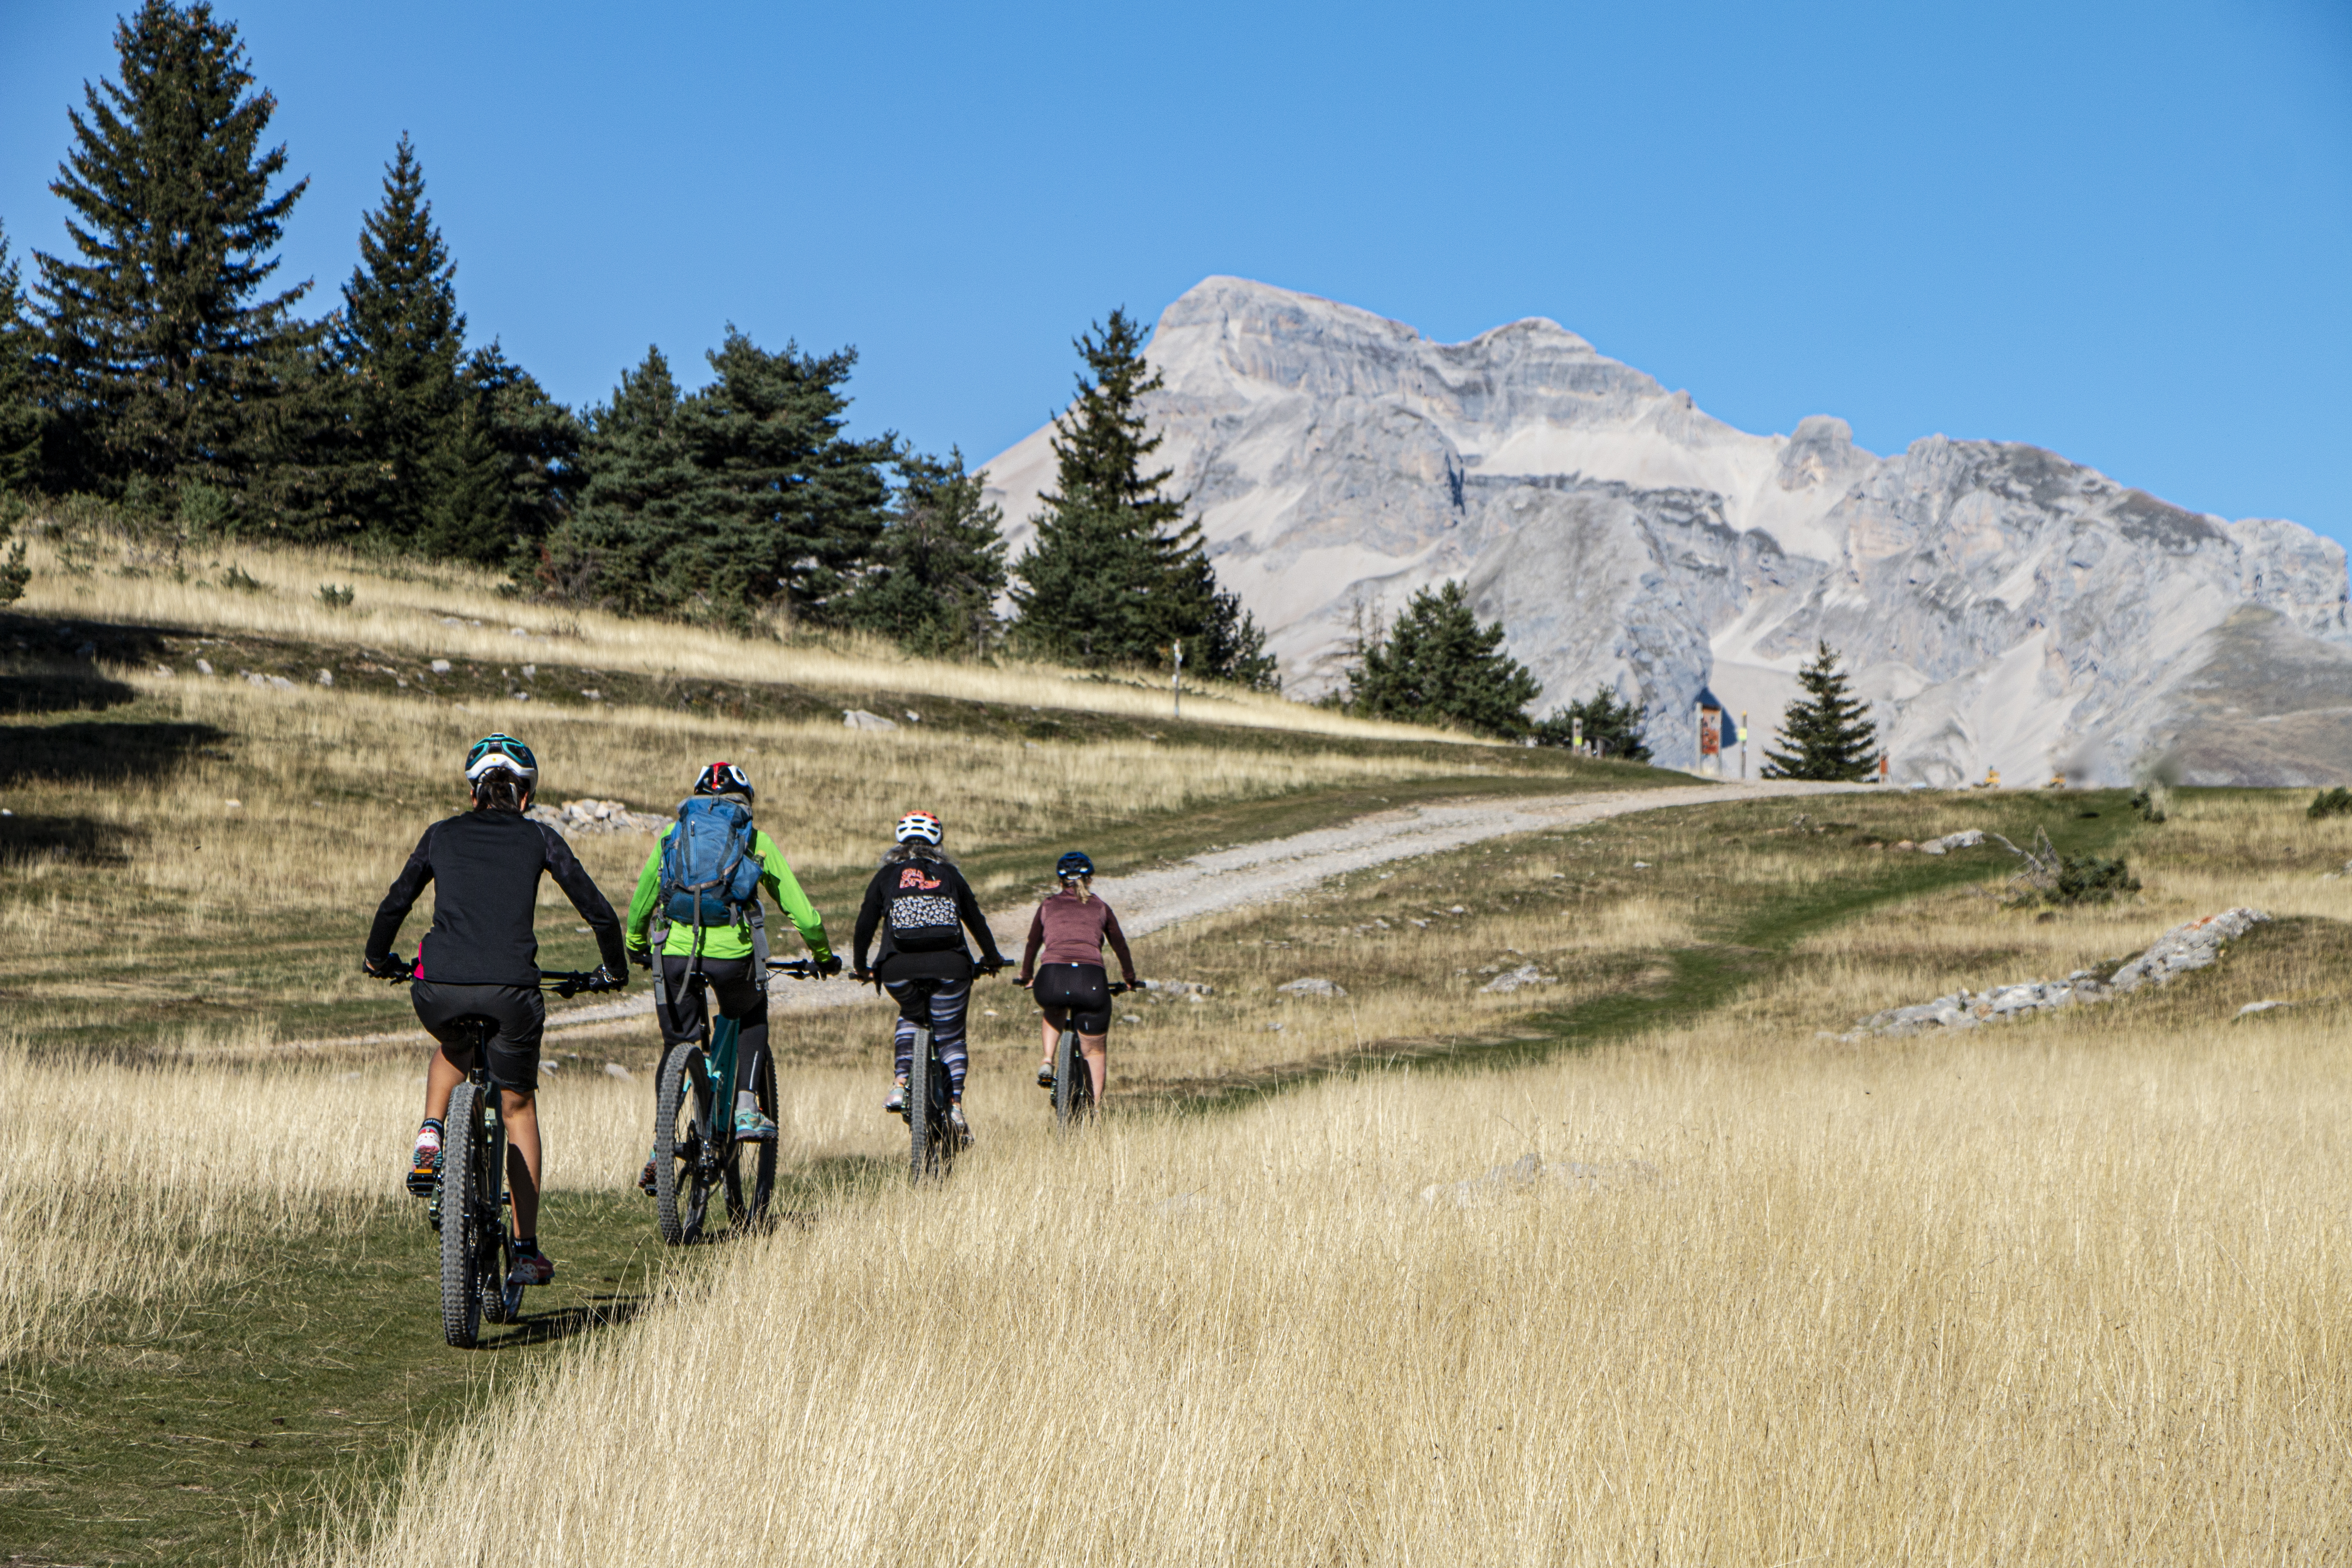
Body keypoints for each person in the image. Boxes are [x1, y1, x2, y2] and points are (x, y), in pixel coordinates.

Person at [365, 733, 628, 1289]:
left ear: (472, 791)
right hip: (511, 994)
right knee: (517, 1108)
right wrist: (613, 972)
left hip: (438, 989)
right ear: (525, 796)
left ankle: (432, 1135)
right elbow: (600, 914)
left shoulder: (440, 835)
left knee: (452, 1047)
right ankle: (527, 1249)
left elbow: (396, 902)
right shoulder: (540, 838)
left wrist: (376, 958)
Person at [626, 763, 839, 1192]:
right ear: (746, 803)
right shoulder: (755, 840)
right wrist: (822, 955)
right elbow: (802, 912)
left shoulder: (674, 836)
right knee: (751, 1014)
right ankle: (745, 1106)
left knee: (679, 1045)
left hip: (675, 953)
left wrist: (634, 944)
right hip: (733, 956)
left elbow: (644, 899)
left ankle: (660, 1145)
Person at [852, 811, 1007, 1139]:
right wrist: (991, 958)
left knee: (911, 1013)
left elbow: (866, 921)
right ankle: (955, 1106)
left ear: (900, 840)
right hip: (950, 967)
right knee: (950, 1036)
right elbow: (975, 919)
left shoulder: (887, 875)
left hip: (898, 969)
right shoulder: (950, 874)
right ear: (938, 841)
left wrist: (860, 964)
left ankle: (899, 1084)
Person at [1018, 851, 1139, 1105]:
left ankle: (1048, 1059)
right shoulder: (1100, 906)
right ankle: (1094, 1112)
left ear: (1060, 882)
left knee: (1054, 1007)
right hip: (1090, 979)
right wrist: (1129, 978)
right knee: (1094, 1049)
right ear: (1090, 880)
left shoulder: (1048, 905)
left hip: (1051, 978)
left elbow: (1033, 944)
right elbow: (1120, 945)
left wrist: (1027, 976)